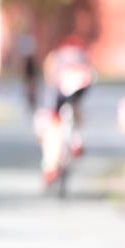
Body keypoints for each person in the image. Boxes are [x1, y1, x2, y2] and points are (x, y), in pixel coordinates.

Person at [39, 34, 94, 184]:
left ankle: (50, 165)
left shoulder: (56, 57)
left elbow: (50, 76)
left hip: (60, 86)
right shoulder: (81, 55)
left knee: (54, 122)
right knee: (75, 106)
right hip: (81, 82)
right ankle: (77, 140)